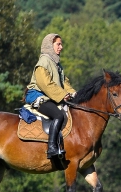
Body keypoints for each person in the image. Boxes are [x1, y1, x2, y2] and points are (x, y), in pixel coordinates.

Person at [25, 33, 76, 162]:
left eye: (61, 44)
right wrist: (62, 95)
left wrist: (73, 93)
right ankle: (52, 148)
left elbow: (64, 82)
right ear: (49, 45)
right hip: (37, 95)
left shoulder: (57, 64)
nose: (61, 47)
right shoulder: (43, 62)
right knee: (58, 115)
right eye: (58, 44)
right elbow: (45, 84)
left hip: (50, 95)